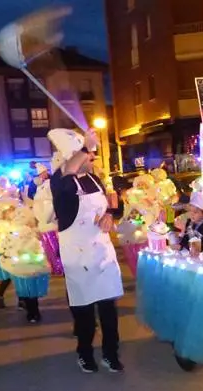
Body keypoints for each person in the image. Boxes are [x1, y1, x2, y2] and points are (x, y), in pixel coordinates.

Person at [48, 128, 125, 374]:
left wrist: (110, 216)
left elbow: (114, 206)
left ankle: (111, 354)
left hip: (103, 255)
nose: (92, 158)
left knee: (109, 312)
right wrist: (85, 146)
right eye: (87, 155)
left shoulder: (95, 179)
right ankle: (84, 352)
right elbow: (68, 170)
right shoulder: (60, 183)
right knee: (84, 316)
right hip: (78, 260)